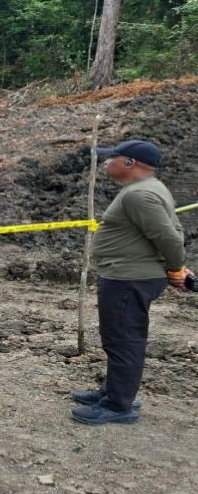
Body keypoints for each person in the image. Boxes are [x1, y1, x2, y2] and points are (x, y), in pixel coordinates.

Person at [70, 139, 190, 425]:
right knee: (119, 338)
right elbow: (169, 231)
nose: (105, 163)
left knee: (123, 341)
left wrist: (176, 269)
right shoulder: (147, 188)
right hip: (128, 276)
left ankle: (118, 405)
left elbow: (169, 237)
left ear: (129, 163)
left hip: (129, 279)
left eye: (111, 158)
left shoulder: (140, 195)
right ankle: (114, 392)